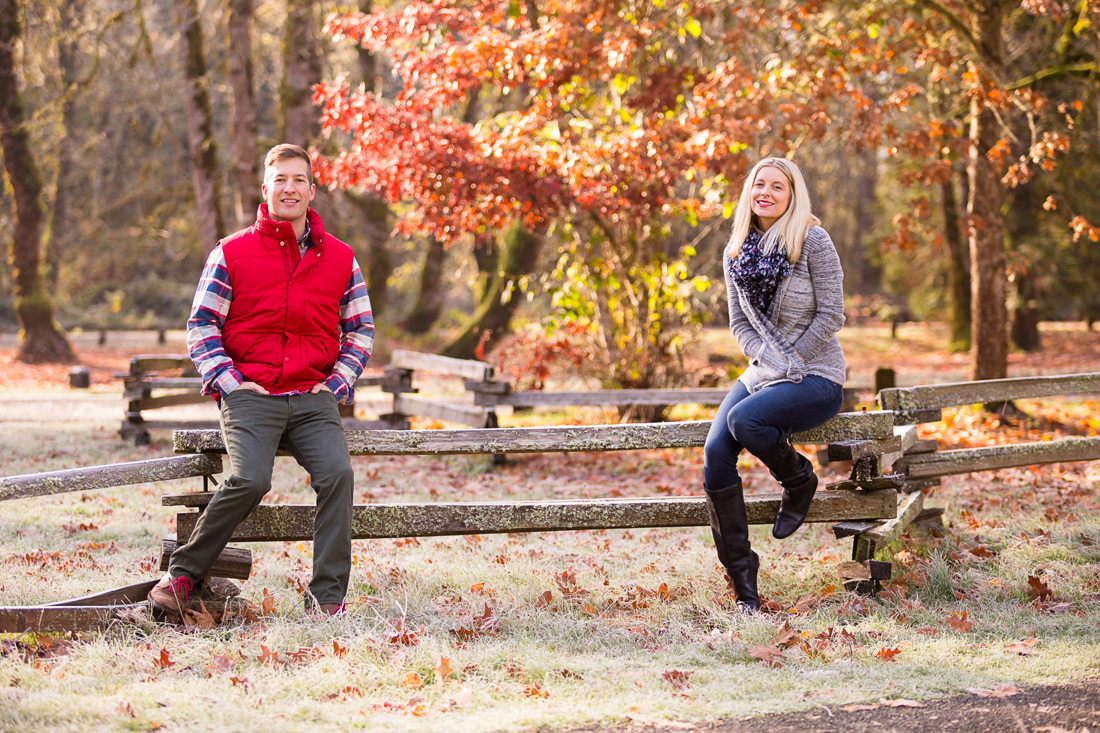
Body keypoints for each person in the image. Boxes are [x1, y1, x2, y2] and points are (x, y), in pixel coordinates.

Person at [148, 144, 374, 619]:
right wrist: (228, 381)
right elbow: (202, 324)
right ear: (265, 188)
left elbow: (361, 329)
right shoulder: (231, 252)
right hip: (251, 393)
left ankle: (326, 598)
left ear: (312, 191)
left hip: (313, 396)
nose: (289, 188)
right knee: (250, 479)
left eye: (299, 180)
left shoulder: (341, 258)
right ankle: (184, 575)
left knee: (338, 475)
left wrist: (336, 384)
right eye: (281, 179)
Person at [703, 157, 846, 612]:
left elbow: (832, 315)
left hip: (817, 375)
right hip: (764, 371)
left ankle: (798, 478)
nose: (765, 192)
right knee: (715, 452)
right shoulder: (735, 253)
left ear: (792, 195)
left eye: (776, 186)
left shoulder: (812, 240)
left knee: (746, 419)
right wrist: (771, 361)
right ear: (748, 193)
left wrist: (794, 359)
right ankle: (744, 582)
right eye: (758, 184)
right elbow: (739, 324)